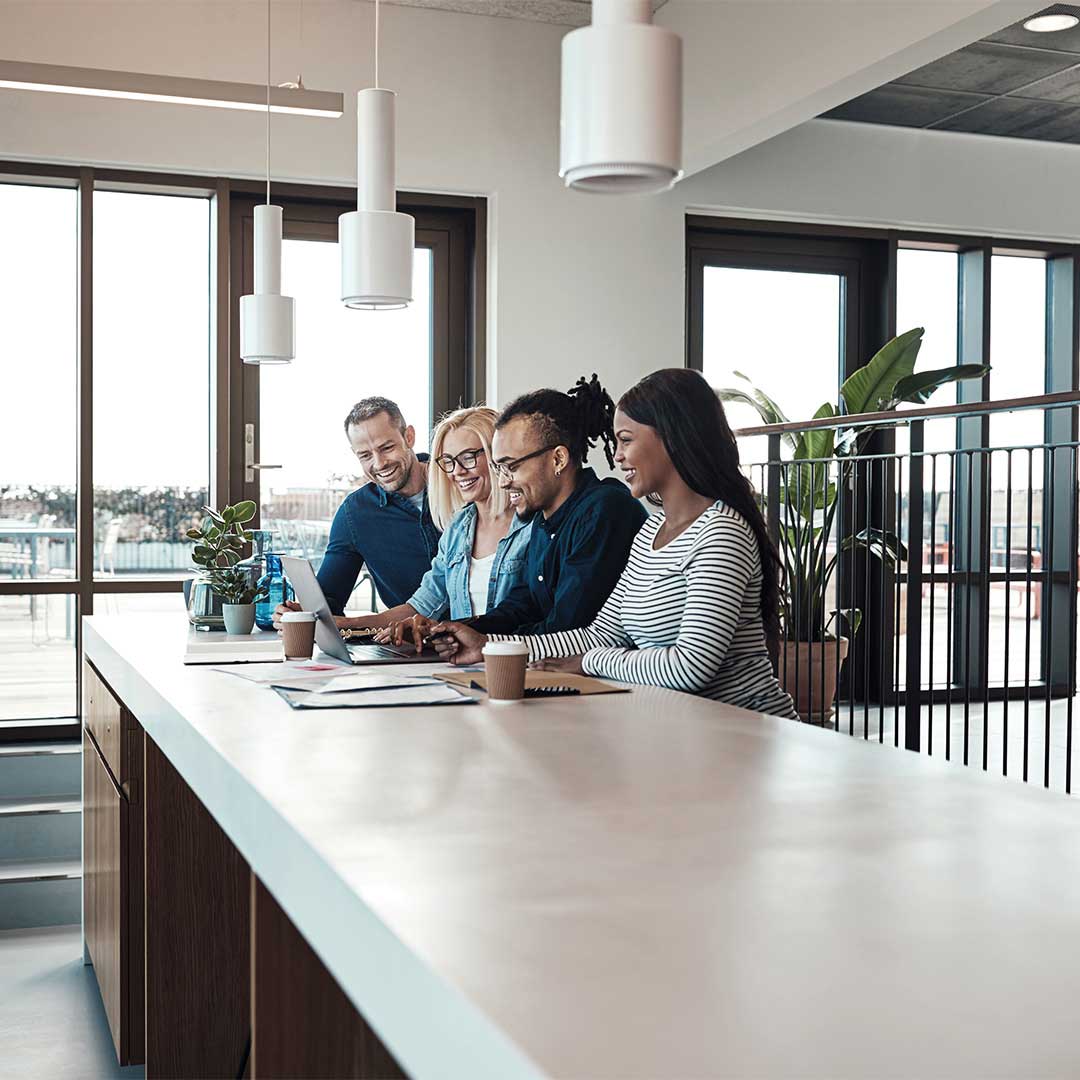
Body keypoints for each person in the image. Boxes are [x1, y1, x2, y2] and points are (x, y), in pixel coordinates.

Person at [442, 368, 799, 718]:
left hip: (743, 735)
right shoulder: (651, 533)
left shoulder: (721, 533)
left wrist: (590, 662)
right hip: (682, 732)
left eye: (626, 440)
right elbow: (602, 633)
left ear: (670, 438)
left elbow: (690, 667)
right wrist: (487, 646)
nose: (617, 456)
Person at [420, 374, 648, 661]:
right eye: (500, 468)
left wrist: (486, 644)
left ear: (558, 460)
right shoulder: (542, 519)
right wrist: (462, 630)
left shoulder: (604, 511)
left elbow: (568, 628)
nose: (503, 482)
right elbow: (522, 605)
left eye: (511, 467)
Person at [337, 407, 533, 646]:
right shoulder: (459, 529)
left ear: (498, 454)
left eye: (468, 457)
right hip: (463, 663)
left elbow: (534, 614)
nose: (457, 471)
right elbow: (423, 604)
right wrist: (347, 625)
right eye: (449, 461)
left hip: (516, 663)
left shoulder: (534, 526)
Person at [272, 396, 440, 629]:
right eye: (365, 455)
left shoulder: (459, 484)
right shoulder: (355, 513)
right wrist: (302, 612)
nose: (379, 463)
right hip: (408, 645)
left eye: (387, 448)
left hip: (480, 635)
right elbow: (330, 598)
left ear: (408, 437)